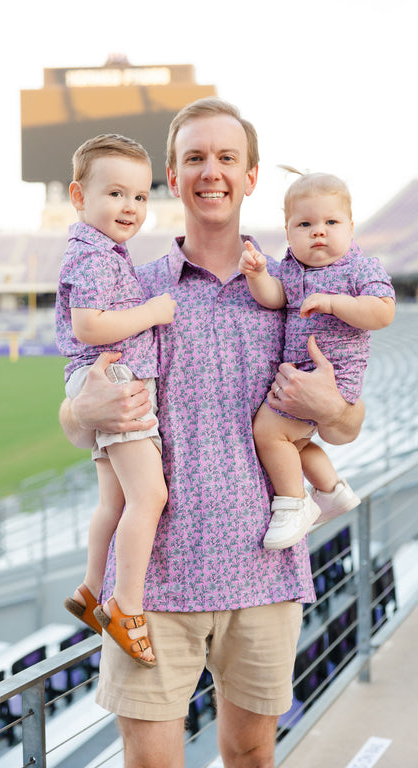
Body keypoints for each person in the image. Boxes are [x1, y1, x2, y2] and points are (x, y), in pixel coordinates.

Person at [59, 98, 365, 768]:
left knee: (252, 756)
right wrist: (83, 414)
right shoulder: (134, 291)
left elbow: (344, 423)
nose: (211, 171)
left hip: (262, 573)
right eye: (195, 157)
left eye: (226, 157)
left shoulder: (292, 289)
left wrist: (331, 406)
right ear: (172, 173)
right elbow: (76, 414)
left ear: (251, 175)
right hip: (155, 587)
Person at [56, 133, 177, 667]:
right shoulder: (95, 255)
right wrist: (153, 312)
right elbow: (88, 325)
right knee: (150, 498)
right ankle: (126, 609)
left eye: (140, 196)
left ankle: (89, 589)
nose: (130, 206)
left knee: (116, 501)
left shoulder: (105, 252)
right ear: (80, 197)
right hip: (118, 380)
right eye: (116, 194)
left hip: (105, 377)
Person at [239, 170, 395, 550]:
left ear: (351, 226)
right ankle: (331, 491)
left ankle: (293, 503)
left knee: (268, 432)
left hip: (333, 378)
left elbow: (382, 312)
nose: (318, 232)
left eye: (331, 222)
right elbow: (275, 297)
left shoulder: (361, 268)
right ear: (288, 231)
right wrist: (259, 275)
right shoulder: (292, 267)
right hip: (301, 378)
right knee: (295, 443)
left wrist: (332, 302)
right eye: (305, 224)